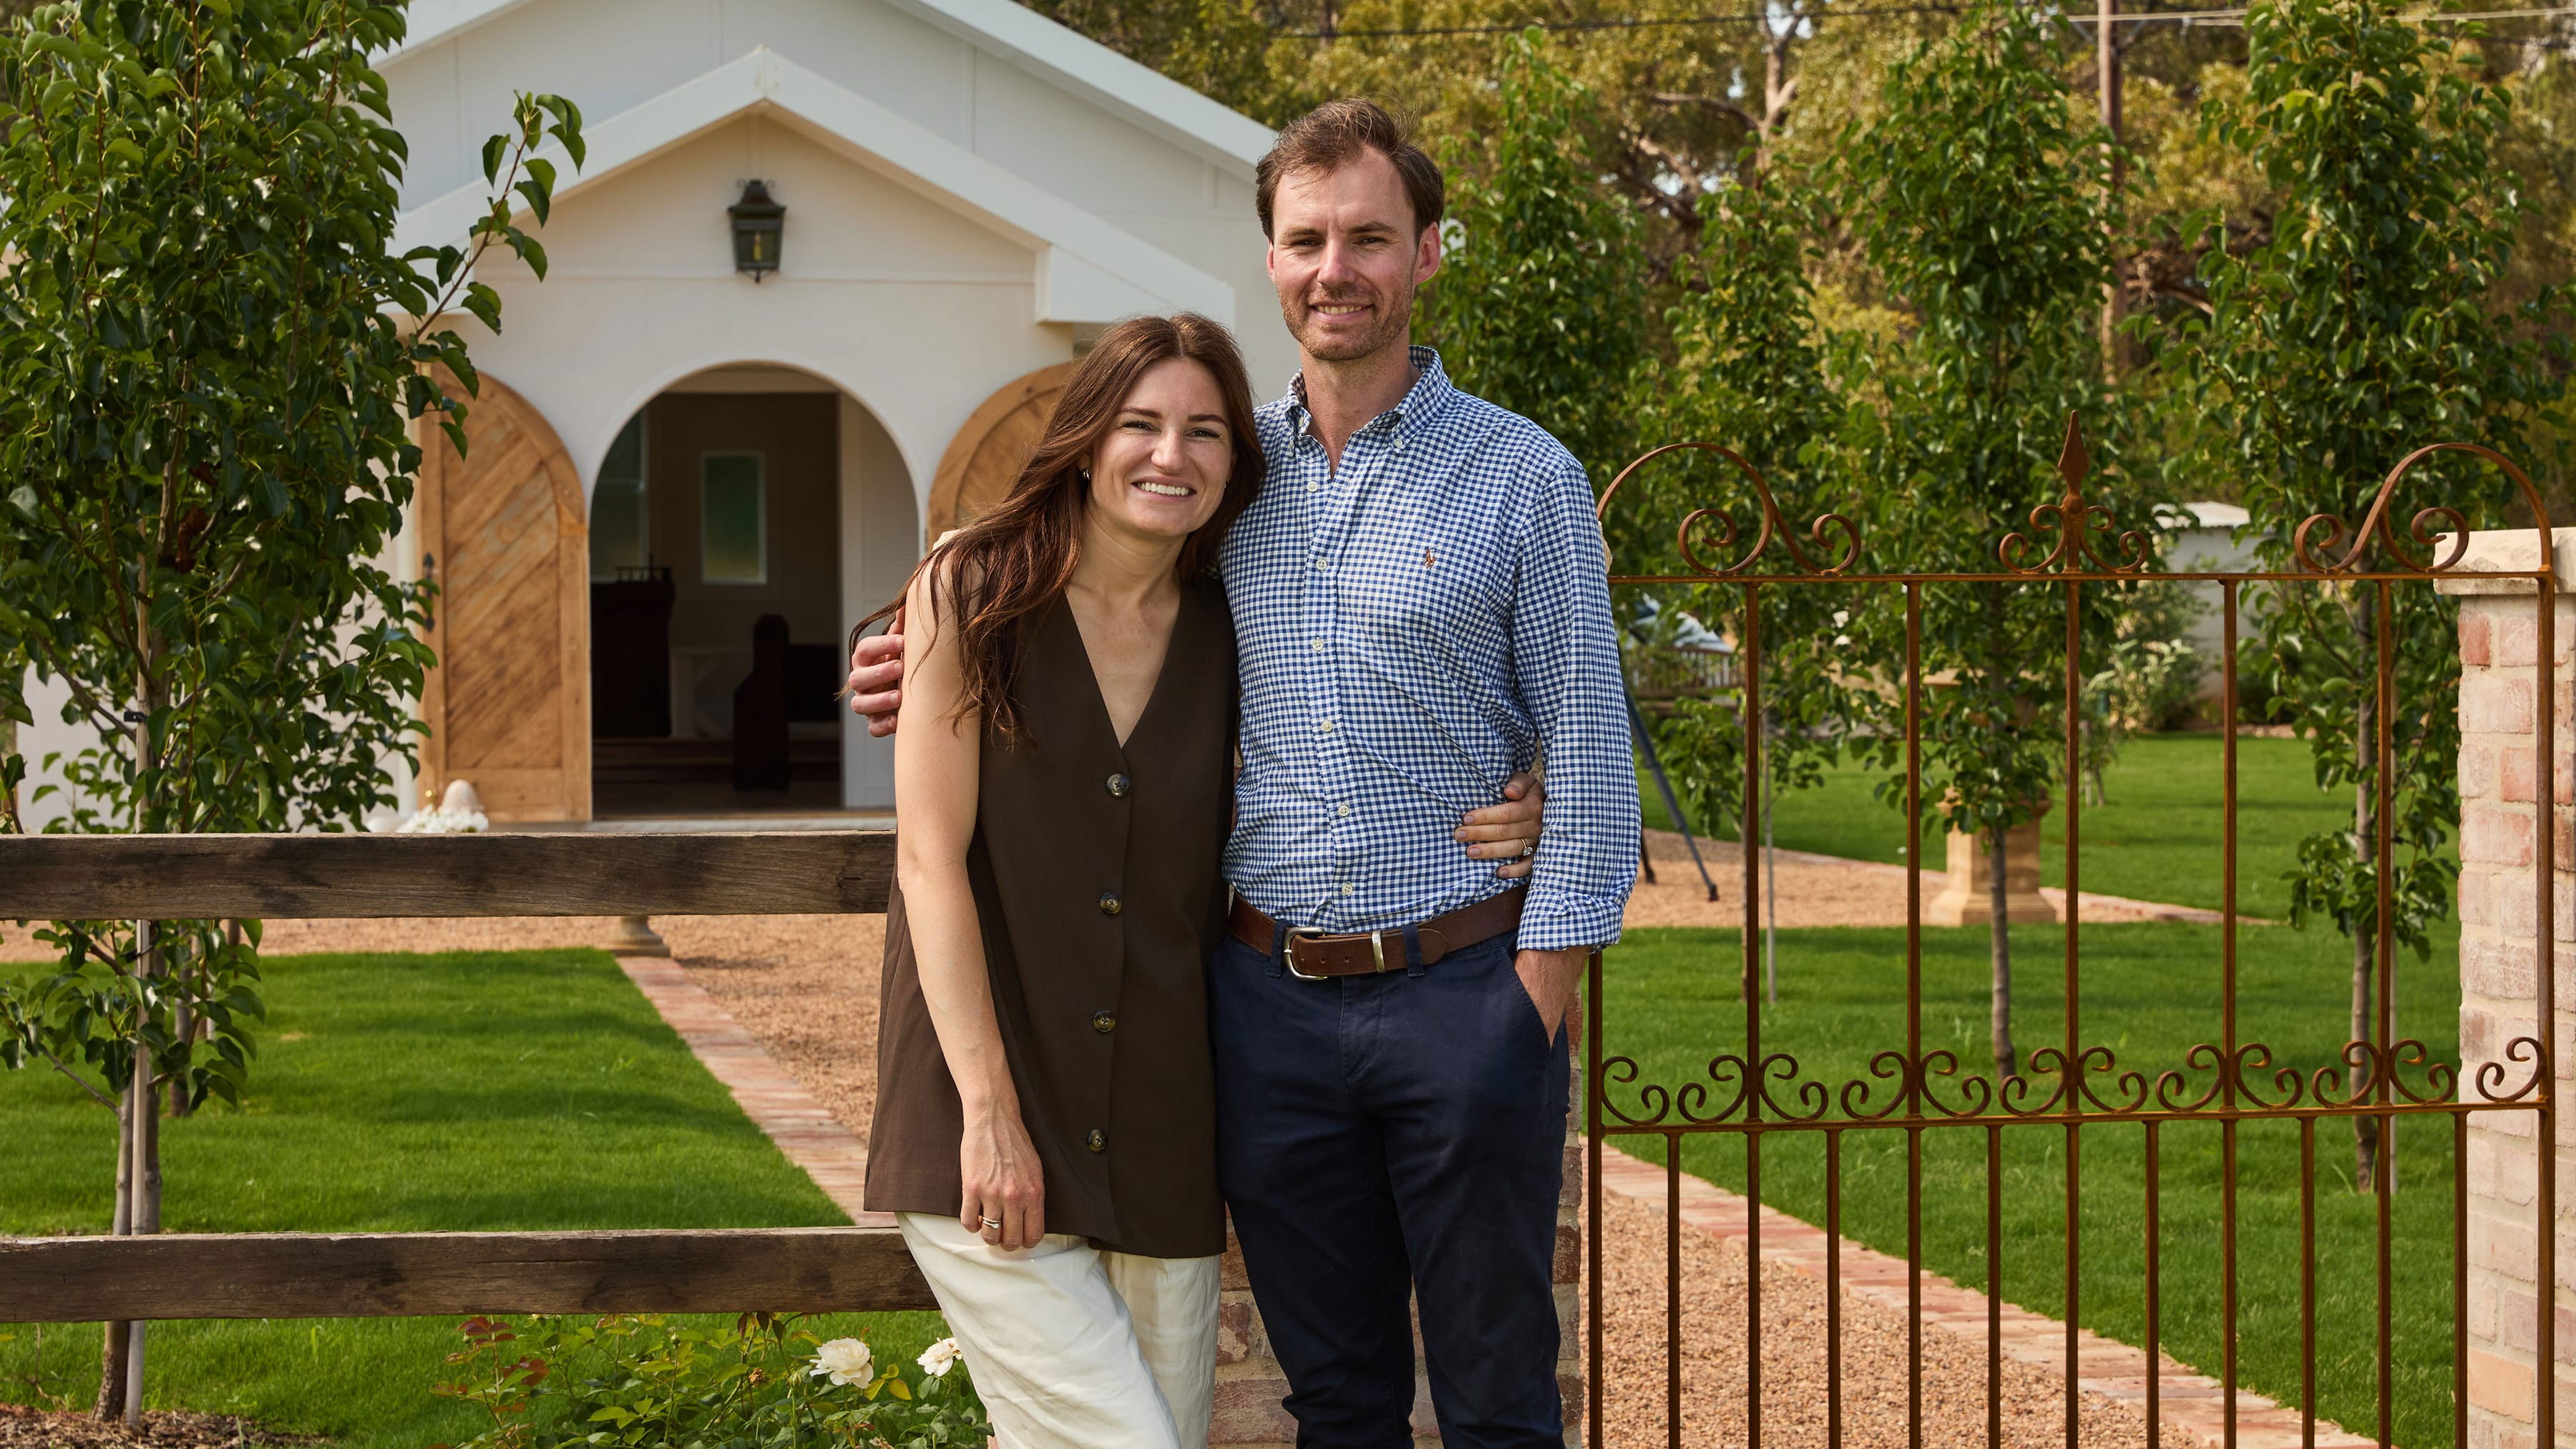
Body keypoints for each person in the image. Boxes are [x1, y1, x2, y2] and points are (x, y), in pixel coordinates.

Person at [860, 312, 1547, 1449]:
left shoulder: (1236, 617)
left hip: (1162, 1143)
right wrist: (988, 1117)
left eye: (1204, 432)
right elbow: (927, 861)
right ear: (1086, 439)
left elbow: (1361, 726)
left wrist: (1528, 785)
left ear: (1236, 463)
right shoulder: (972, 592)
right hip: (983, 1126)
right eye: (1139, 423)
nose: (1169, 455)